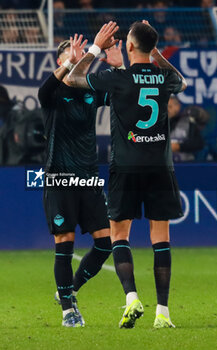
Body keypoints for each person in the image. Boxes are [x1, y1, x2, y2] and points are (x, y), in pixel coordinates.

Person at [68, 20, 187, 329]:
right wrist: (155, 53)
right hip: (160, 168)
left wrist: (96, 47)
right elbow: (182, 83)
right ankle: (163, 312)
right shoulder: (162, 78)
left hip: (126, 167)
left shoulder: (117, 79)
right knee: (161, 239)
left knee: (120, 235)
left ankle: (132, 297)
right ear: (151, 47)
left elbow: (74, 77)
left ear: (129, 46)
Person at [38, 28, 120, 328]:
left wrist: (118, 67)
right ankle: (69, 311)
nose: (74, 57)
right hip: (59, 177)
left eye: (77, 53)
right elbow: (43, 93)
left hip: (88, 177)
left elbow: (122, 96)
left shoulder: (90, 91)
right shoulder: (53, 94)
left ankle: (68, 290)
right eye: (67, 54)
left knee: (105, 243)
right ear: (59, 62)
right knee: (65, 242)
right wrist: (68, 63)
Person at [168, 96, 204, 161]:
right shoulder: (157, 123)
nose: (167, 110)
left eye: (170, 107)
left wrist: (179, 146)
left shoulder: (187, 122)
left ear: (178, 107)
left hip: (186, 164)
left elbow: (198, 143)